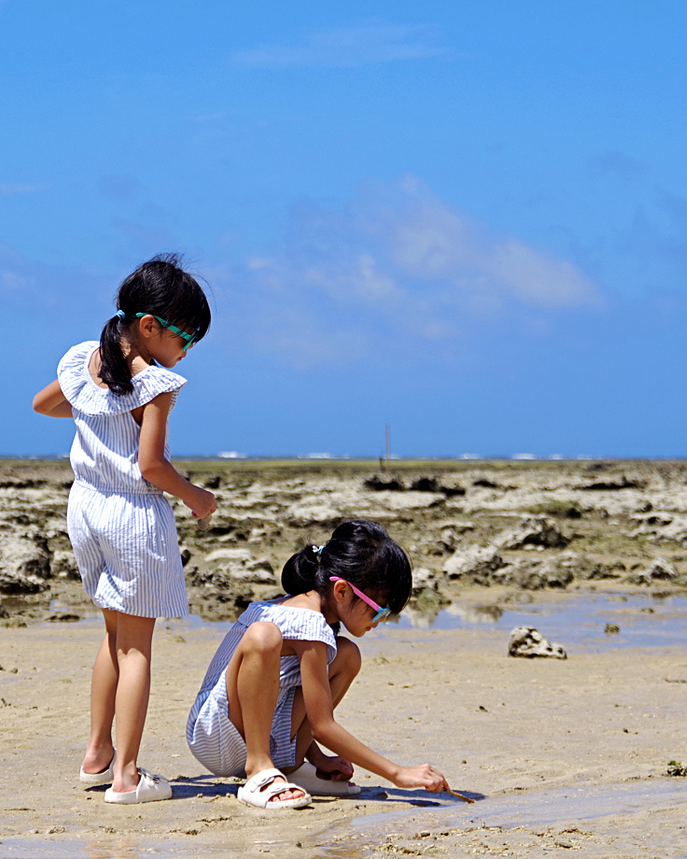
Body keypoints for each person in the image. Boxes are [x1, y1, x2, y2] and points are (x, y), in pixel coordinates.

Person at [32, 253, 216, 805]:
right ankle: (128, 774)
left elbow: (43, 405)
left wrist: (98, 411)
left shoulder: (88, 361)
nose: (187, 350)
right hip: (133, 516)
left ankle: (97, 754)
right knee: (138, 648)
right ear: (150, 327)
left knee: (114, 636)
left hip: (85, 508)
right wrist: (197, 498)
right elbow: (152, 467)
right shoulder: (155, 385)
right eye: (186, 337)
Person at [185, 519, 452, 809]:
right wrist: (397, 773)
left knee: (347, 654)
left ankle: (290, 765)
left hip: (260, 734)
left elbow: (299, 705)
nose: (382, 621)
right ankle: (259, 768)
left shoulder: (320, 622)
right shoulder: (307, 620)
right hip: (215, 736)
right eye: (379, 610)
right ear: (341, 592)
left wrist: (317, 758)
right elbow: (322, 726)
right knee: (264, 636)